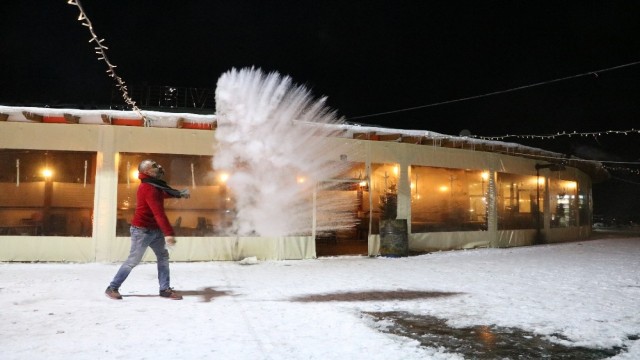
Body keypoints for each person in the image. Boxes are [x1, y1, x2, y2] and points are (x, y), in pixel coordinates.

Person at [105, 159, 190, 300]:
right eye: (154, 166)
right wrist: (169, 233)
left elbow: (163, 193)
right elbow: (158, 213)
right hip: (142, 231)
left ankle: (164, 289)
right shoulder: (148, 188)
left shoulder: (153, 186)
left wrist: (179, 194)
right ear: (146, 172)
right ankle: (112, 287)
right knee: (133, 260)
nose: (159, 167)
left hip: (154, 230)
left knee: (163, 256)